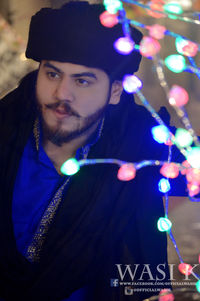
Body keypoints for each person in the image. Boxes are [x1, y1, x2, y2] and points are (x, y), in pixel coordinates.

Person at [0, 1, 172, 300]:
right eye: (52, 74)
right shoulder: (5, 131)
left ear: (115, 92)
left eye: (82, 80)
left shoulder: (139, 150)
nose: (61, 94)